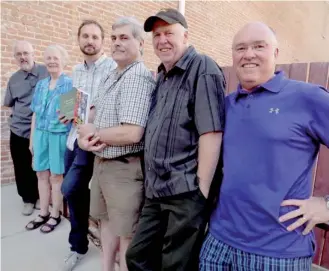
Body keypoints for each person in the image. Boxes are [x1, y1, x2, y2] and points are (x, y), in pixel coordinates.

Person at [199, 22, 329, 271]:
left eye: (259, 46)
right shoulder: (226, 105)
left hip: (277, 253)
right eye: (241, 48)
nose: (248, 54)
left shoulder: (307, 98)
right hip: (217, 243)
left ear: (276, 53)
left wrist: (327, 205)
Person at [125, 9, 226, 271]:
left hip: (185, 191)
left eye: (169, 33)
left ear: (186, 36)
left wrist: (201, 191)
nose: (162, 40)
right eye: (157, 35)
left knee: (176, 265)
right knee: (137, 256)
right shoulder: (163, 75)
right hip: (157, 190)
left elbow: (212, 131)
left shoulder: (202, 67)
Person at [77, 16, 155, 271]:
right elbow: (92, 112)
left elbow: (132, 133)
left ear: (140, 43)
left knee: (127, 234)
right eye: (114, 37)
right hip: (102, 162)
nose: (117, 43)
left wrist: (94, 132)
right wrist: (84, 138)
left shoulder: (137, 77)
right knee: (105, 222)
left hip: (123, 168)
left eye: (124, 37)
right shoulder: (113, 74)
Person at [59, 20, 117, 271]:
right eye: (85, 36)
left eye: (95, 36)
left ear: (102, 41)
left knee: (70, 188)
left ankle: (94, 239)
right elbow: (73, 104)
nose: (90, 41)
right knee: (75, 195)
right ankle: (78, 245)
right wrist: (66, 112)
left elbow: (107, 105)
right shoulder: (76, 70)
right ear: (79, 39)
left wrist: (88, 118)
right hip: (72, 139)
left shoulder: (112, 67)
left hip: (93, 141)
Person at [25, 44, 72, 233]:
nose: (52, 61)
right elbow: (35, 114)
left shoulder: (68, 84)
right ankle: (43, 212)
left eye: (56, 57)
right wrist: (31, 139)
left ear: (63, 60)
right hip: (40, 135)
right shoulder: (41, 84)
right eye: (49, 58)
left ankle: (55, 214)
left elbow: (69, 117)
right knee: (40, 174)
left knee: (56, 176)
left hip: (58, 136)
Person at [3, 40, 48, 216]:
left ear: (33, 54)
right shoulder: (13, 80)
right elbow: (9, 103)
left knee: (40, 166)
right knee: (21, 167)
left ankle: (40, 197)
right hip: (19, 131)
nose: (23, 57)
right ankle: (28, 199)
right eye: (19, 54)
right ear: (15, 58)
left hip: (42, 130)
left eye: (26, 53)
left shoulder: (46, 72)